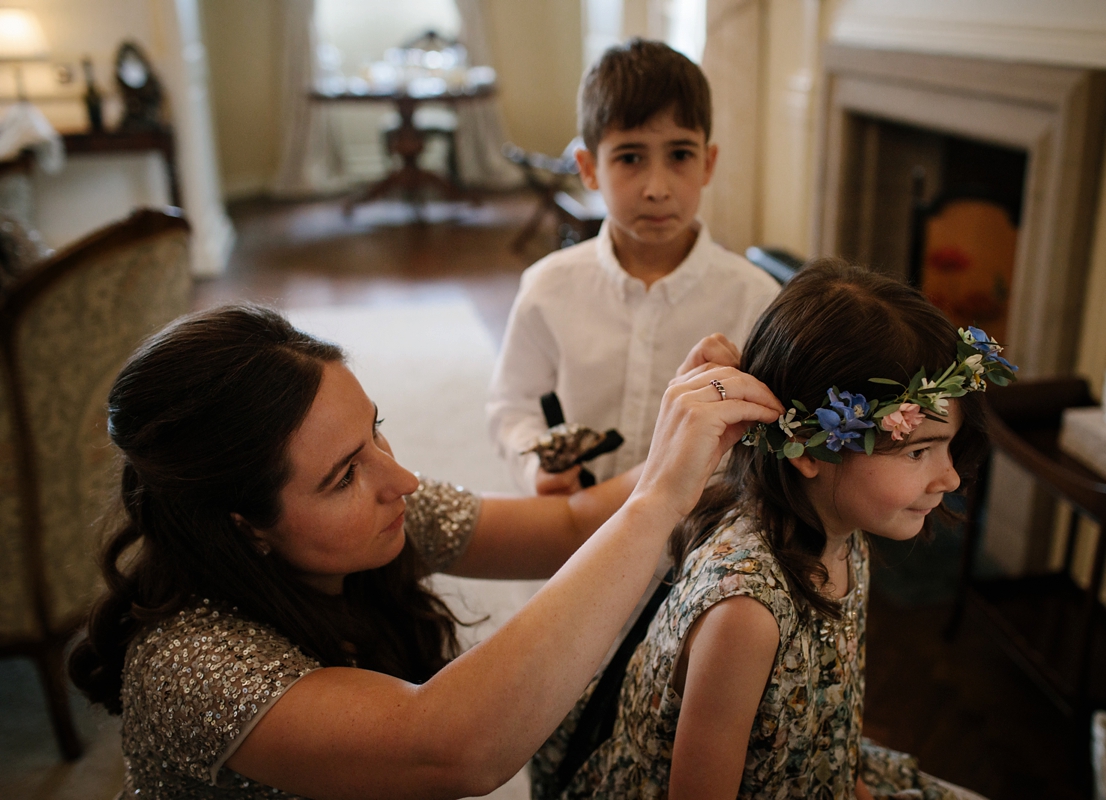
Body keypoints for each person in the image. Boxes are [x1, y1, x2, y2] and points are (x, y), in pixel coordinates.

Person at [67, 304, 782, 799]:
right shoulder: (190, 664)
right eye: (344, 474)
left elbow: (566, 526)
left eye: (376, 431)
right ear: (243, 525)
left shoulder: (383, 511)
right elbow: (455, 746)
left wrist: (681, 434)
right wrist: (658, 501)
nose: (400, 479)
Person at [531, 260, 1016, 799]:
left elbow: (827, 717)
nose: (949, 476)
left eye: (946, 447)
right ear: (810, 451)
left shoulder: (838, 526)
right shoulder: (745, 615)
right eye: (919, 451)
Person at [486, 38, 781, 496]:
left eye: (680, 155)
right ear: (589, 169)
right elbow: (512, 407)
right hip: (578, 525)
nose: (657, 188)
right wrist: (535, 465)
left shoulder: (755, 297)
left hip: (699, 533)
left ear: (709, 162)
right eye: (630, 158)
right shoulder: (548, 287)